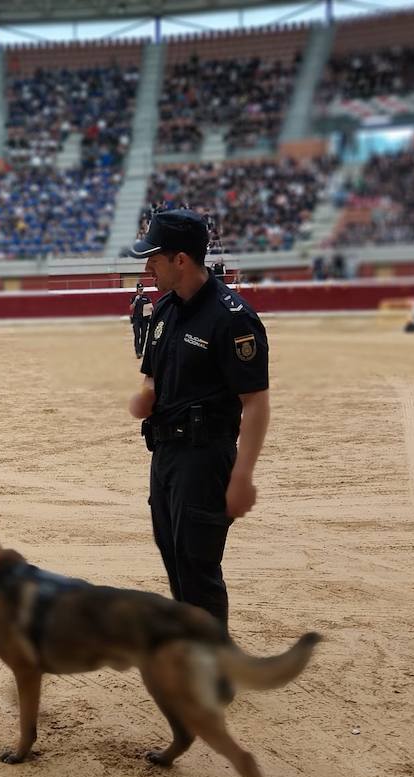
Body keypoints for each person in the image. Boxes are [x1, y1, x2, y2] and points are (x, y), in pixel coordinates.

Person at [126, 210, 270, 630]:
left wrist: (242, 476)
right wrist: (146, 397)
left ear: (181, 260)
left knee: (198, 567)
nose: (147, 266)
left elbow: (256, 403)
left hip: (205, 458)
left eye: (154, 257)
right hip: (167, 454)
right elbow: (152, 375)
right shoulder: (166, 310)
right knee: (173, 556)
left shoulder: (232, 318)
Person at [128, 282, 153, 359]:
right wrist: (135, 301)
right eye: (139, 289)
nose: (141, 290)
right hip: (136, 319)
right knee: (137, 335)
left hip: (145, 319)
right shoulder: (134, 297)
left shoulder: (147, 297)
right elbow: (131, 308)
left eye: (142, 289)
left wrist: (151, 308)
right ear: (137, 290)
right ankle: (138, 352)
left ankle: (141, 351)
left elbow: (151, 307)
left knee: (143, 336)